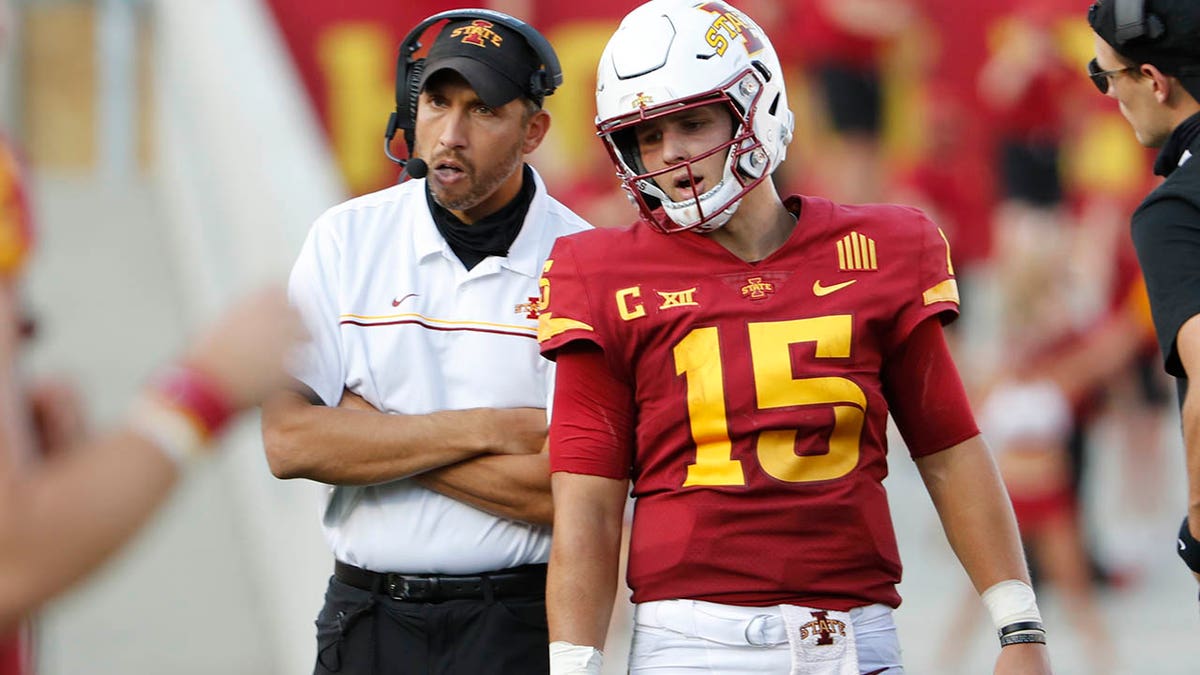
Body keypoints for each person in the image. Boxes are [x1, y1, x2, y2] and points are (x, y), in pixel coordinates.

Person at [537, 1, 1052, 673]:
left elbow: (950, 450)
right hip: (692, 647)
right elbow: (589, 509)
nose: (671, 155)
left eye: (693, 122)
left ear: (757, 104)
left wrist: (1019, 627)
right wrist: (573, 666)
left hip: (855, 637)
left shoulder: (881, 247)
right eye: (647, 136)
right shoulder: (599, 271)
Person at [260, 9, 591, 675]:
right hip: (367, 617)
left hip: (516, 624)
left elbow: (566, 495)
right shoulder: (343, 236)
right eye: (436, 103)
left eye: (483, 110)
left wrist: (373, 434)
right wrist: (494, 428)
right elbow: (289, 442)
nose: (450, 134)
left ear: (534, 131)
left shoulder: (586, 258)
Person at [1086, 0, 1200, 585]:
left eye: (1104, 75)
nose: (1106, 92)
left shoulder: (1175, 206)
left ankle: (1149, 522)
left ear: (1153, 80)